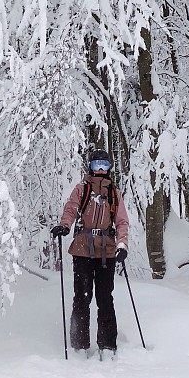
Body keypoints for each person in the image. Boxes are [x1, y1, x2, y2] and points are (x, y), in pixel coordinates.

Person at [51, 149, 129, 357]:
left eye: (105, 164)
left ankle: (107, 344)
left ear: (110, 167)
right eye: (97, 165)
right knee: (82, 298)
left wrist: (122, 245)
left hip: (107, 251)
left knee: (105, 298)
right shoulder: (82, 189)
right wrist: (64, 226)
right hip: (83, 250)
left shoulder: (114, 193)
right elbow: (71, 209)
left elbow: (122, 221)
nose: (101, 169)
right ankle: (79, 344)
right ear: (90, 167)